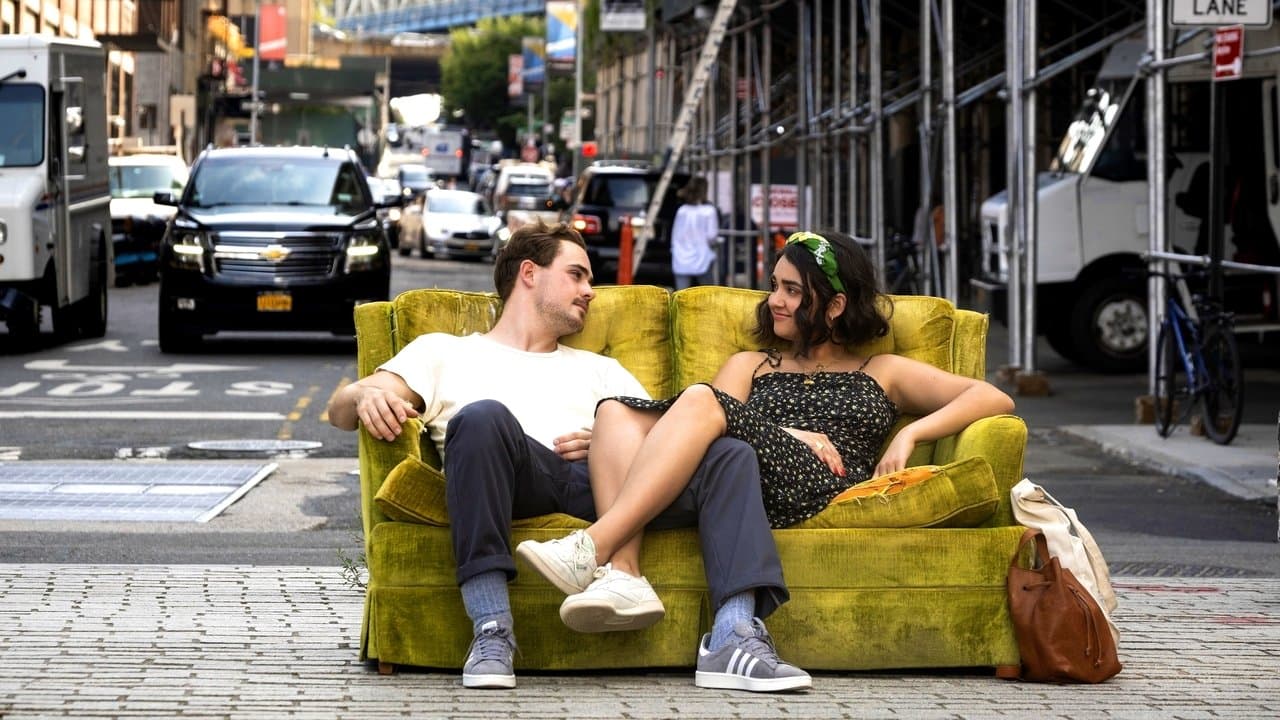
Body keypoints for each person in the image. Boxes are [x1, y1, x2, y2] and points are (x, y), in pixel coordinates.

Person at [327, 220, 809, 693]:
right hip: (514, 475)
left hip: (612, 491)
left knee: (728, 454)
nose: (590, 291)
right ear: (529, 274)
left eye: (590, 280)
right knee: (480, 419)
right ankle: (492, 630)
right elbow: (341, 409)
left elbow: (671, 440)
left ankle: (734, 636)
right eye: (576, 275)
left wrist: (609, 438)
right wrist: (363, 396)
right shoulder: (443, 352)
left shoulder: (603, 370)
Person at [520, 229, 1016, 643]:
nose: (775, 300)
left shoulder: (881, 370)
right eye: (775, 286)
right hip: (749, 485)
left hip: (821, 485)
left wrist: (909, 437)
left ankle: (591, 547)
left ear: (836, 304)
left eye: (793, 291)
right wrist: (795, 432)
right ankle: (624, 577)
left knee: (695, 399)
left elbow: (992, 398)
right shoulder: (750, 364)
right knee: (613, 413)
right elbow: (712, 430)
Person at [670, 176, 722, 289]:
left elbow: (675, 235)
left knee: (680, 296)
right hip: (702, 258)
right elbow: (712, 236)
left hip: (681, 258)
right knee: (708, 294)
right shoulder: (709, 211)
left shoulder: (682, 210)